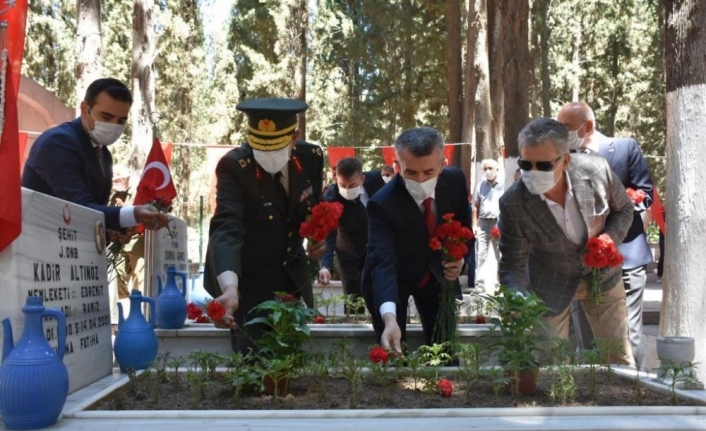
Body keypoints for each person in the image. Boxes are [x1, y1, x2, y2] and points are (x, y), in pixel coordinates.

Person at [497, 118, 634, 366]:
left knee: (617, 360)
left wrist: (608, 240)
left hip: (603, 278)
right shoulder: (513, 203)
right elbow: (512, 263)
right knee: (549, 365)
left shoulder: (597, 171)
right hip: (549, 282)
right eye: (526, 164)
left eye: (544, 165)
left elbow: (624, 209)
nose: (533, 172)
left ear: (565, 160)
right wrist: (515, 297)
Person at [203, 97, 326, 355]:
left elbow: (313, 208)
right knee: (254, 360)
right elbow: (227, 226)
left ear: (294, 138)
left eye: (276, 147)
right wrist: (229, 288)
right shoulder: (235, 166)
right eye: (260, 147)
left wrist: (317, 240)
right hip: (246, 277)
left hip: (290, 275)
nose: (267, 155)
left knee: (289, 356)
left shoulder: (311, 157)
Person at [558, 102, 653, 368]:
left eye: (565, 127)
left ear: (587, 125)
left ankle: (636, 389)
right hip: (584, 262)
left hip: (626, 256)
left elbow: (645, 193)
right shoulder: (563, 158)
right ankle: (591, 395)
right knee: (585, 336)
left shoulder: (624, 148)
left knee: (628, 335)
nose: (560, 132)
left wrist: (615, 208)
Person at [362, 127, 471, 353]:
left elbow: (464, 229)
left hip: (437, 278)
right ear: (397, 166)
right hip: (393, 282)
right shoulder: (382, 203)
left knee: (446, 353)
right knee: (392, 351)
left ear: (442, 164)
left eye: (429, 172)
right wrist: (389, 318)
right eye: (411, 172)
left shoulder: (456, 181)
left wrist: (460, 260)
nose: (420, 180)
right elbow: (383, 262)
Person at [22, 78, 169, 232]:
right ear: (85, 109)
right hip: (37, 244)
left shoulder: (104, 155)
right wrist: (135, 213)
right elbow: (82, 209)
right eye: (106, 117)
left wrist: (113, 232)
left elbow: (94, 213)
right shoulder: (58, 143)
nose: (113, 125)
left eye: (121, 120)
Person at [318, 157, 385, 312]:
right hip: (349, 254)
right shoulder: (331, 197)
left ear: (362, 179)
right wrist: (326, 266)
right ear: (336, 178)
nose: (347, 189)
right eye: (343, 185)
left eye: (352, 185)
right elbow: (329, 234)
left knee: (382, 296)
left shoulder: (375, 180)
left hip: (378, 248)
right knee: (354, 304)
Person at [472, 159, 503, 294]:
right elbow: (475, 207)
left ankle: (500, 284)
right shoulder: (480, 186)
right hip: (483, 223)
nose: (488, 171)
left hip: (498, 223)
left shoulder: (503, 185)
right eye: (485, 169)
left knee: (500, 255)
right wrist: (474, 225)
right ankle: (480, 285)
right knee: (481, 255)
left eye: (490, 168)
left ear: (497, 170)